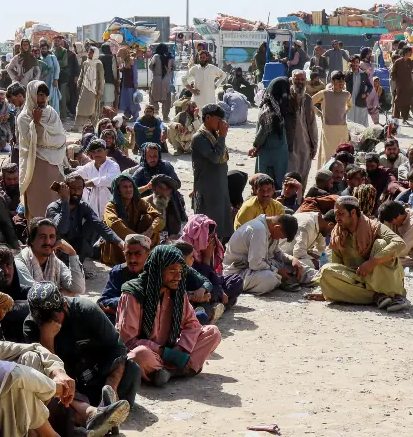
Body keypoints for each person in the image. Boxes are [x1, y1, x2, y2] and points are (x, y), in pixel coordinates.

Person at [0, 285, 122, 437]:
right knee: (15, 385)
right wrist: (56, 387)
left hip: (84, 380)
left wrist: (59, 372)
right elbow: (14, 374)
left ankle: (82, 419)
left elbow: (34, 348)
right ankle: (75, 421)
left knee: (31, 358)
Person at [116, 245, 222, 386]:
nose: (178, 277)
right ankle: (175, 369)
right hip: (150, 353)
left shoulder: (178, 291)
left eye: (180, 271)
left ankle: (167, 372)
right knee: (138, 355)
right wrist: (164, 352)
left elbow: (192, 324)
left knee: (212, 332)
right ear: (158, 270)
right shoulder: (133, 294)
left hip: (171, 347)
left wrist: (179, 349)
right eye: (172, 271)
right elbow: (128, 341)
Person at [24, 282, 138, 411]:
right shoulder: (32, 326)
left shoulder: (87, 310)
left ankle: (107, 405)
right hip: (68, 388)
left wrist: (111, 387)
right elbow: (45, 371)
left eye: (51, 317)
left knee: (132, 370)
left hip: (97, 375)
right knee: (52, 398)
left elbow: (117, 348)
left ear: (64, 306)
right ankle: (88, 413)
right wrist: (47, 341)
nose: (48, 323)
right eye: (41, 319)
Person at [307, 195, 409, 312]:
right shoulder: (338, 234)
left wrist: (373, 262)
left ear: (353, 212)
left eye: (341, 214)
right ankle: (376, 296)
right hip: (359, 278)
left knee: (381, 244)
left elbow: (400, 243)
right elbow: (338, 266)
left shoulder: (374, 226)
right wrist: (329, 289)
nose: (337, 218)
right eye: (336, 214)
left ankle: (395, 294)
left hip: (382, 278)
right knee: (326, 271)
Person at [46, 172, 124, 262]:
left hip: (75, 245)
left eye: (79, 188)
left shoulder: (83, 206)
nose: (76, 192)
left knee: (93, 224)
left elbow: (99, 224)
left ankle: (80, 261)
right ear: (66, 189)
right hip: (58, 249)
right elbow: (62, 229)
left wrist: (120, 242)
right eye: (72, 188)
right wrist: (65, 201)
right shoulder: (53, 207)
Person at [17, 80, 67, 221]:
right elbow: (29, 141)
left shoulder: (52, 113)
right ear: (32, 95)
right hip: (35, 163)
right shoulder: (24, 118)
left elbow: (60, 137)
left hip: (54, 162)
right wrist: (36, 123)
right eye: (39, 95)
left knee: (54, 200)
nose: (43, 99)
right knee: (35, 202)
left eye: (45, 95)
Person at [222, 214, 307, 294]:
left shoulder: (270, 229)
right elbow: (255, 264)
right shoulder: (258, 230)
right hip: (239, 272)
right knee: (269, 278)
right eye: (281, 237)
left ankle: (314, 279)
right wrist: (277, 271)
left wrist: (292, 259)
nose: (279, 239)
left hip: (263, 266)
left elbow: (277, 253)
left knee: (296, 266)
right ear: (277, 227)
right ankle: (283, 281)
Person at [191, 104, 232, 243]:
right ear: (208, 118)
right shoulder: (199, 138)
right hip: (207, 190)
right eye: (218, 120)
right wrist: (222, 137)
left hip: (220, 188)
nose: (221, 123)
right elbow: (215, 158)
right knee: (207, 230)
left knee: (221, 227)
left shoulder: (214, 135)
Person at [102, 174, 164, 266]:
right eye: (125, 187)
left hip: (137, 236)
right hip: (120, 242)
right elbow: (115, 225)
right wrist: (136, 237)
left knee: (150, 218)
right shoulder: (110, 206)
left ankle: (148, 253)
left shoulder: (138, 202)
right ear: (118, 190)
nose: (129, 190)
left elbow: (159, 217)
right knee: (117, 227)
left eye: (131, 186)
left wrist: (150, 230)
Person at [98, 234, 151, 320]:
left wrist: (128, 302)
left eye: (138, 254)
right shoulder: (119, 272)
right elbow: (104, 302)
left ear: (148, 254)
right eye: (128, 254)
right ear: (124, 254)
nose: (132, 259)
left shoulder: (155, 273)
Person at [250, 77, 289, 187]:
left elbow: (264, 131)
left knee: (264, 183)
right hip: (280, 152)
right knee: (279, 182)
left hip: (267, 151)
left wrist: (256, 146)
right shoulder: (283, 106)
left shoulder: (268, 107)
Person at [312, 71, 353, 168]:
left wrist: (344, 112)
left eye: (343, 81)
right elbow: (310, 102)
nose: (341, 83)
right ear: (332, 81)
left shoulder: (347, 94)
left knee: (342, 154)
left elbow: (350, 105)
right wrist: (318, 113)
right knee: (328, 155)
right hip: (328, 130)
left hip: (342, 129)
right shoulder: (325, 93)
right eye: (338, 81)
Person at [280, 210, 335, 280]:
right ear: (331, 225)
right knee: (308, 264)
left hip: (297, 254)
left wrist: (318, 258)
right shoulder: (307, 225)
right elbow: (298, 253)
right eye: (334, 232)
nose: (331, 236)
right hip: (283, 256)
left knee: (327, 258)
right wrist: (317, 262)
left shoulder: (321, 224)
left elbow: (321, 250)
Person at [286, 71, 318, 186]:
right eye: (297, 79)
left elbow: (312, 123)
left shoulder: (308, 99)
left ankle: (299, 200)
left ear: (306, 81)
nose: (299, 82)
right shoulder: (286, 98)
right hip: (289, 142)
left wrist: (314, 144)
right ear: (291, 80)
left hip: (305, 143)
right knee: (289, 174)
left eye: (302, 79)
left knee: (303, 173)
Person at [77, 139, 120, 222]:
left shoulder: (113, 165)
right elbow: (77, 174)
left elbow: (110, 179)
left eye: (99, 151)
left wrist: (87, 183)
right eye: (93, 152)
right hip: (92, 210)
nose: (96, 154)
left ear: (105, 151)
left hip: (110, 208)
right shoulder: (89, 166)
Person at [74, 46, 104, 131]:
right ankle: (78, 126)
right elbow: (81, 75)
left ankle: (92, 126)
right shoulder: (85, 63)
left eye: (91, 52)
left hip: (94, 90)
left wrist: (100, 91)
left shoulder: (98, 64)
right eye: (89, 52)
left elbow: (101, 79)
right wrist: (79, 85)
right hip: (84, 89)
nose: (89, 54)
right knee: (80, 107)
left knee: (93, 109)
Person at [389, 47, 413, 122]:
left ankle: (404, 118)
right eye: (410, 52)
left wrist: (412, 72)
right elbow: (393, 72)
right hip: (400, 85)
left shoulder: (411, 61)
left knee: (407, 102)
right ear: (406, 52)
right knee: (397, 101)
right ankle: (395, 117)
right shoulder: (398, 62)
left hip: (409, 85)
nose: (411, 53)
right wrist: (396, 79)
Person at [149, 43, 175, 121]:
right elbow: (174, 67)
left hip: (157, 79)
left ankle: (154, 114)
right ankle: (165, 116)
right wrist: (169, 72)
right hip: (166, 80)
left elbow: (150, 66)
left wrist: (155, 70)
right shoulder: (171, 57)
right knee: (166, 100)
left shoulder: (155, 56)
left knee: (153, 98)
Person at [344, 55, 372, 126]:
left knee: (361, 122)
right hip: (350, 101)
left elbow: (370, 86)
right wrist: (349, 69)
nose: (355, 64)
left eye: (357, 62)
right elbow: (344, 81)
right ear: (351, 63)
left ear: (359, 63)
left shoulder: (363, 74)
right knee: (350, 121)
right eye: (353, 62)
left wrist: (366, 94)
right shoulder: (347, 74)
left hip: (360, 100)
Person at [98, 43, 119, 110]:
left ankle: (101, 117)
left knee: (100, 101)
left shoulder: (99, 57)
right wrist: (115, 79)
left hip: (100, 82)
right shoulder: (111, 57)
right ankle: (108, 116)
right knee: (109, 101)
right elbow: (114, 70)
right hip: (109, 81)